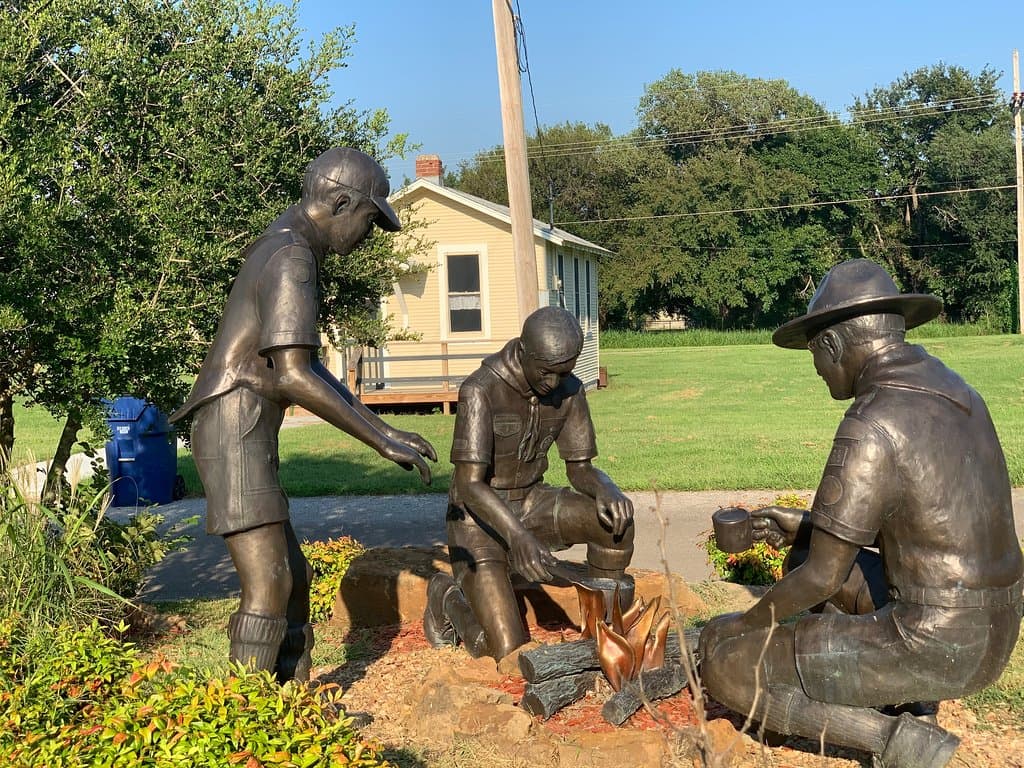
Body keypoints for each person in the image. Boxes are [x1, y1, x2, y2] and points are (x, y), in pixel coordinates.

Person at [698, 259, 1023, 768]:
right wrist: (807, 525)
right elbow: (933, 533)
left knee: (725, 664)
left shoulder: (871, 421)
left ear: (831, 345)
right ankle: (912, 701)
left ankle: (894, 741)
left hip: (932, 642)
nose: (818, 371)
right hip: (996, 629)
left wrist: (745, 623)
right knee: (805, 549)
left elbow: (822, 579)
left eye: (815, 357)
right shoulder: (961, 392)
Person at [170, 147, 436, 683]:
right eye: (367, 219)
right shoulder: (292, 257)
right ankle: (245, 718)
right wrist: (381, 441)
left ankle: (289, 701)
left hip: (239, 422)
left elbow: (303, 366)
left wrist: (383, 427)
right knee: (269, 582)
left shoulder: (287, 244)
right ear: (340, 202)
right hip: (233, 426)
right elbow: (292, 376)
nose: (366, 236)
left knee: (293, 572)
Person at [424, 306, 635, 661]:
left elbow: (580, 468)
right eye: (546, 372)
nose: (554, 383)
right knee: (504, 650)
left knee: (615, 522)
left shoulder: (569, 388)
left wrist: (607, 489)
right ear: (522, 353)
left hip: (533, 503)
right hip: (478, 521)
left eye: (562, 372)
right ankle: (446, 597)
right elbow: (469, 484)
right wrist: (518, 538)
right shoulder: (481, 389)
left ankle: (602, 634)